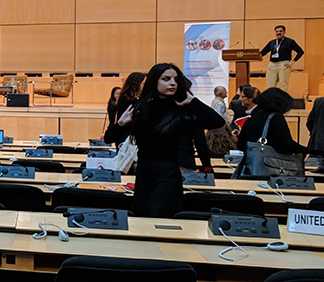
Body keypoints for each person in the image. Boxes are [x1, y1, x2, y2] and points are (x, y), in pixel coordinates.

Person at [129, 63, 224, 218]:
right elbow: (111, 137)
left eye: (175, 79)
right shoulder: (141, 107)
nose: (173, 83)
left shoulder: (182, 110)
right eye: (166, 79)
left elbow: (217, 121)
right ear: (155, 81)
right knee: (142, 217)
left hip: (168, 173)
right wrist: (120, 124)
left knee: (165, 216)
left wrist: (193, 101)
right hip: (145, 173)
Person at [237, 87, 315, 158]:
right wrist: (308, 151)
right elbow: (286, 143)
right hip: (271, 163)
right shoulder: (275, 117)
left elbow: (240, 145)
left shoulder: (250, 119)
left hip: (253, 164)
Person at [103, 72, 145, 146]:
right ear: (136, 85)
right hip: (125, 137)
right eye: (144, 83)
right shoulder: (125, 99)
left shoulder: (141, 99)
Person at [260, 25, 304, 92]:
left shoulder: (290, 41)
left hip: (284, 65)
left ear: (284, 32)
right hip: (272, 65)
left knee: (283, 85)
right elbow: (263, 52)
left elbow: (300, 52)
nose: (278, 33)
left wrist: (293, 62)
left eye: (280, 31)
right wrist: (253, 55)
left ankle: (282, 101)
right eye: (277, 31)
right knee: (270, 85)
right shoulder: (271, 42)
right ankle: (270, 101)